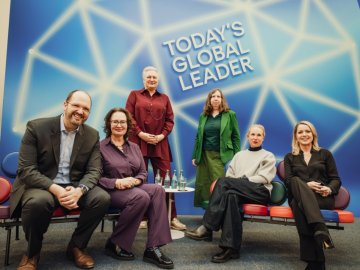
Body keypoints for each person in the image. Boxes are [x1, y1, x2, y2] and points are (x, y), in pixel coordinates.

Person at [9, 90, 111, 270]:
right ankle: (32, 253)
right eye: (76, 105)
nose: (80, 111)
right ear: (65, 105)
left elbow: (95, 170)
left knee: (101, 198)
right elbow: (26, 170)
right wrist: (56, 189)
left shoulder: (92, 135)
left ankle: (77, 246)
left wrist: (80, 190)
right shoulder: (36, 128)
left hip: (73, 186)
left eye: (86, 108)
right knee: (38, 202)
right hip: (41, 185)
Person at [186, 124, 276, 263]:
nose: (255, 138)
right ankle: (231, 249)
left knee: (223, 182)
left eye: (259, 135)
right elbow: (230, 175)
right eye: (253, 134)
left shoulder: (268, 155)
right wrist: (236, 183)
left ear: (263, 138)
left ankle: (208, 227)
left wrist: (241, 180)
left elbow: (264, 178)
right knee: (230, 196)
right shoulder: (239, 155)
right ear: (248, 136)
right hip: (237, 191)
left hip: (259, 192)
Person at [99, 108, 174, 269]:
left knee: (157, 189)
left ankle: (153, 247)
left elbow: (142, 172)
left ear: (128, 125)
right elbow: (96, 177)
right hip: (112, 191)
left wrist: (135, 181)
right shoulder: (100, 147)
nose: (119, 125)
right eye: (115, 121)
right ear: (108, 124)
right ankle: (115, 243)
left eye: (122, 122)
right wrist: (117, 183)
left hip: (133, 187)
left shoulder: (134, 147)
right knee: (141, 196)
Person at [125, 66, 186, 231]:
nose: (152, 79)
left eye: (154, 77)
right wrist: (140, 134)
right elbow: (128, 117)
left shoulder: (165, 98)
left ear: (158, 80)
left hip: (160, 143)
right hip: (138, 142)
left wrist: (161, 136)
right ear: (143, 79)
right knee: (140, 180)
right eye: (149, 77)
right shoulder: (134, 95)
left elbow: (170, 120)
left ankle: (171, 217)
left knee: (167, 181)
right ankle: (142, 217)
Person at [284, 121, 341, 270]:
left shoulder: (325, 154)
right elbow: (289, 181)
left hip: (322, 198)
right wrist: (306, 185)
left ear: (313, 134)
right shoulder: (290, 157)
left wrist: (329, 189)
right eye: (300, 132)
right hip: (299, 194)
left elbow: (335, 179)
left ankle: (314, 261)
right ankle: (320, 230)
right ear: (296, 136)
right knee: (296, 181)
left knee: (298, 206)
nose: (304, 135)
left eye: (307, 131)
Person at [192, 88, 240, 207]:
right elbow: (198, 137)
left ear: (222, 99)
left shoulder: (230, 115)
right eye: (213, 96)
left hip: (220, 155)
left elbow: (236, 136)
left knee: (218, 183)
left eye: (218, 96)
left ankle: (220, 211)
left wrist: (237, 156)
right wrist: (194, 155)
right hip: (203, 155)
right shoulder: (203, 116)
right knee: (203, 184)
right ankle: (208, 213)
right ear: (209, 100)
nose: (216, 99)